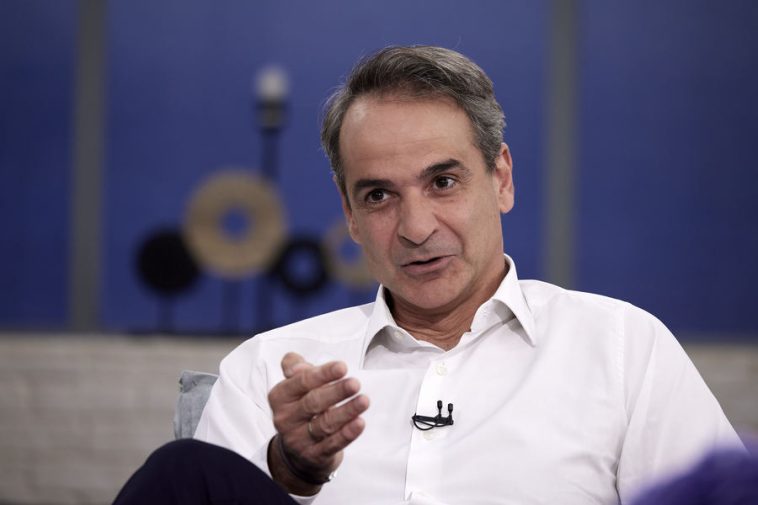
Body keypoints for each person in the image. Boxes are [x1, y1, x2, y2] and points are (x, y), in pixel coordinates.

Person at [185, 46, 741, 504]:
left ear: (501, 179)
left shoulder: (623, 351)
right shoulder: (266, 372)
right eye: (378, 196)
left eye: (443, 183)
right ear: (349, 213)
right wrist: (291, 470)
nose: (416, 228)